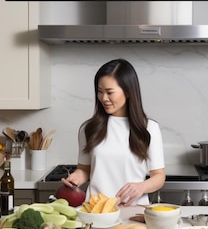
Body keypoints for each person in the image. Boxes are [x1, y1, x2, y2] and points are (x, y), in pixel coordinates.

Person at [61, 59, 165, 206]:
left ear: (128, 92)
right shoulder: (89, 128)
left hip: (134, 209)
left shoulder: (148, 128)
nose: (104, 98)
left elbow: (159, 176)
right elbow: (84, 169)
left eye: (110, 92)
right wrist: (76, 178)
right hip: (95, 211)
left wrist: (141, 187)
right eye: (100, 91)